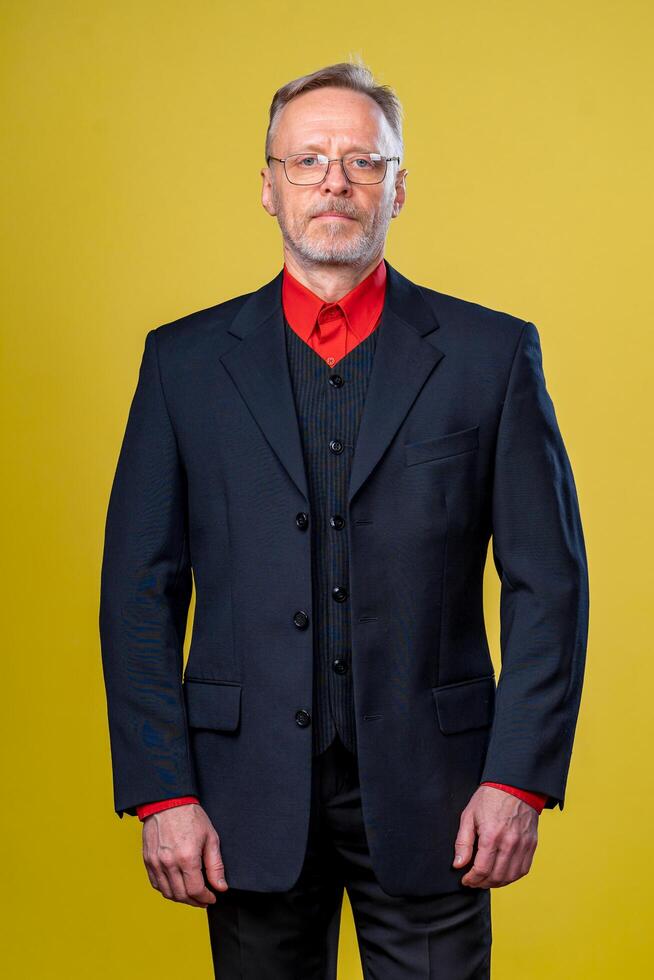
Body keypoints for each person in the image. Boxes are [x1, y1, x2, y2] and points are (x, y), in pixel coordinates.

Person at [99, 60, 589, 979]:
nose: (334, 182)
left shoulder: (492, 355)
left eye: (363, 161)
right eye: (308, 160)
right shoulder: (184, 364)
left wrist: (517, 777)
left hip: (439, 795)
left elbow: (548, 584)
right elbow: (138, 592)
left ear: (399, 188)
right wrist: (161, 789)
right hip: (241, 796)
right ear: (268, 186)